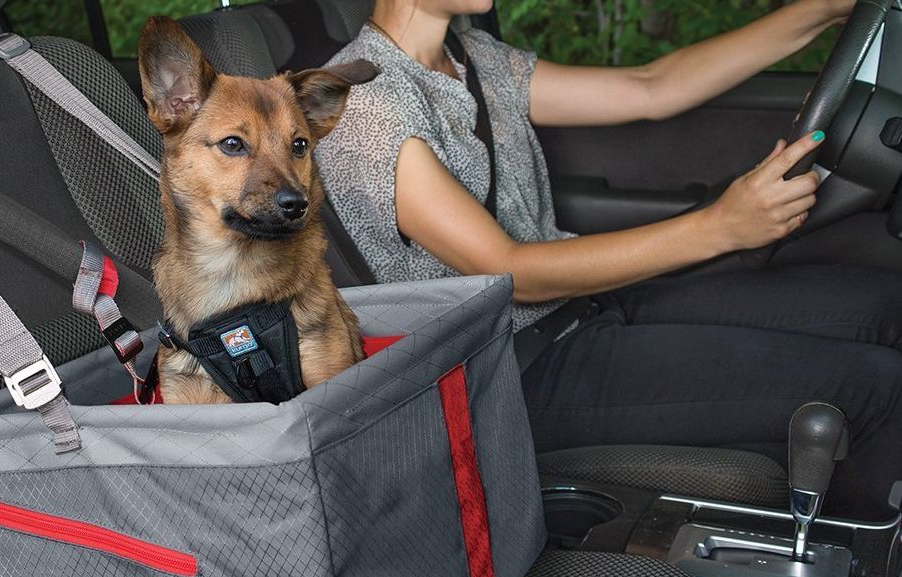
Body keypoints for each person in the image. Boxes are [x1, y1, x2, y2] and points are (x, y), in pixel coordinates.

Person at [315, 0, 902, 520]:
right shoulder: (367, 107)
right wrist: (721, 227)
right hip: (508, 375)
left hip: (578, 311)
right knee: (879, 389)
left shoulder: (474, 59)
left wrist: (823, 10)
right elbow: (508, 270)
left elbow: (651, 86)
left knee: (881, 306)